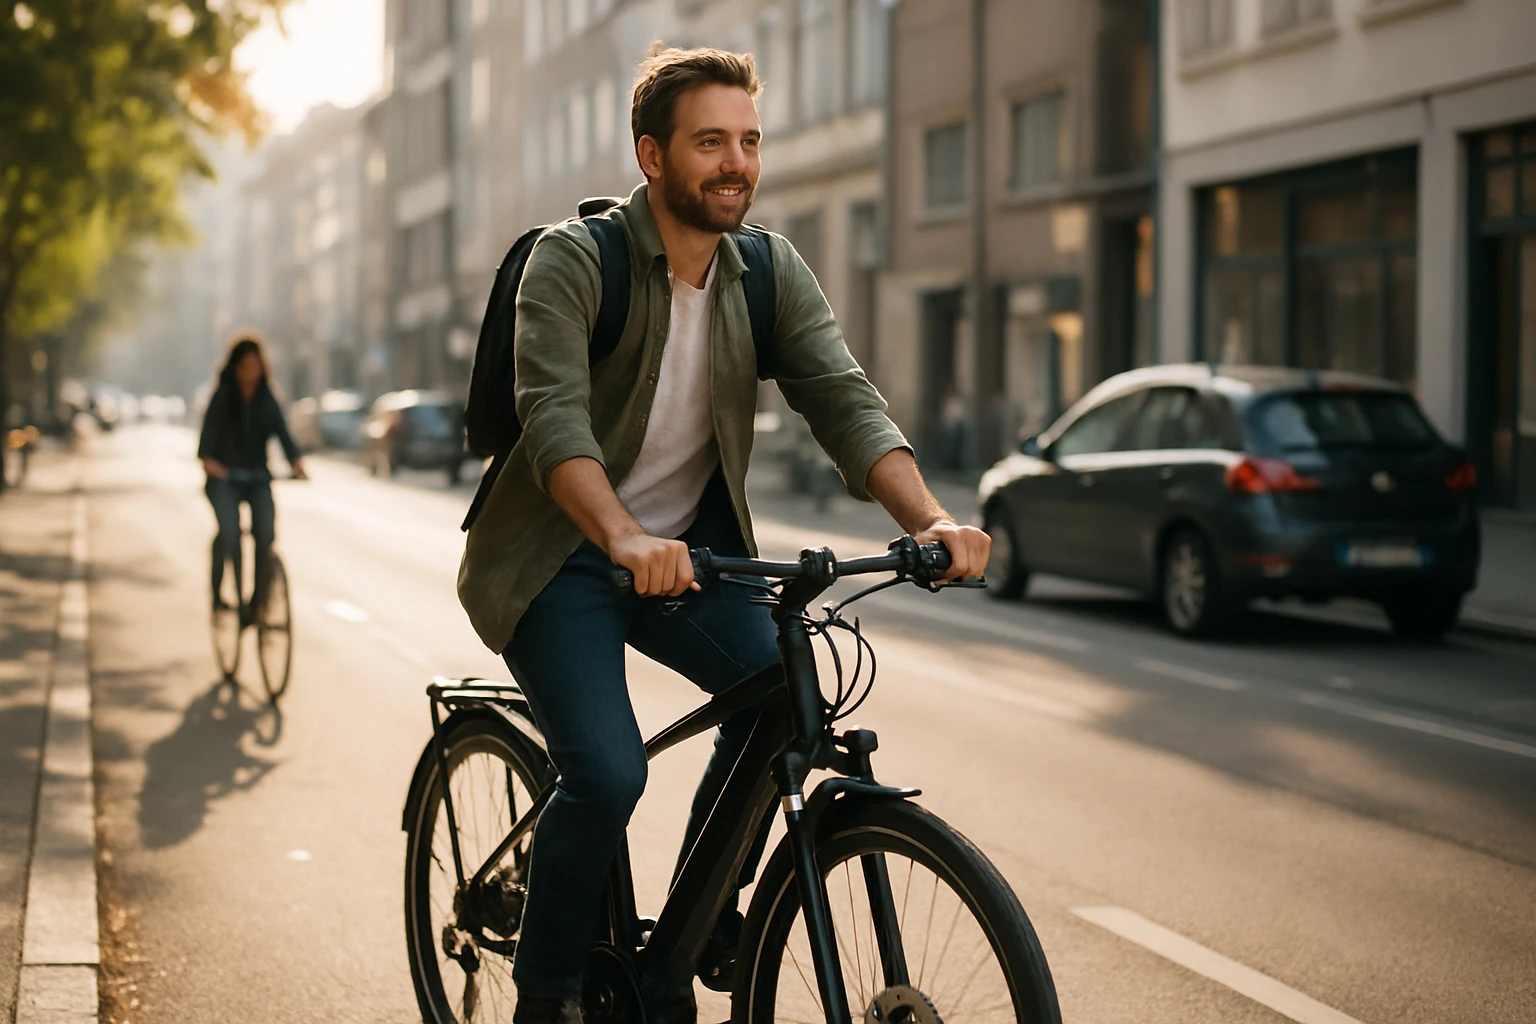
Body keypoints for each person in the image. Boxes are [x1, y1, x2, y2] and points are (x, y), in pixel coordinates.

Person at [456, 46, 990, 1024]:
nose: (736, 163)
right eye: (711, 143)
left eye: (748, 141)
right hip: (559, 559)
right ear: (652, 156)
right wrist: (619, 536)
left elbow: (845, 401)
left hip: (683, 555)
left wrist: (933, 519)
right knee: (608, 768)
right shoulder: (574, 262)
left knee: (785, 699)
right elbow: (554, 422)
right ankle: (546, 993)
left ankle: (694, 929)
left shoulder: (765, 270)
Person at [197, 333, 307, 625]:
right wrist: (212, 466)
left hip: (258, 478)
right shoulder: (222, 397)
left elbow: (284, 435)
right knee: (230, 533)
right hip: (225, 480)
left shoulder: (267, 399)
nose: (251, 373)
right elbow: (205, 446)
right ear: (235, 368)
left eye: (256, 366)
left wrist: (296, 463)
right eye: (246, 366)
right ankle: (223, 596)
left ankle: (258, 603)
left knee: (266, 534)